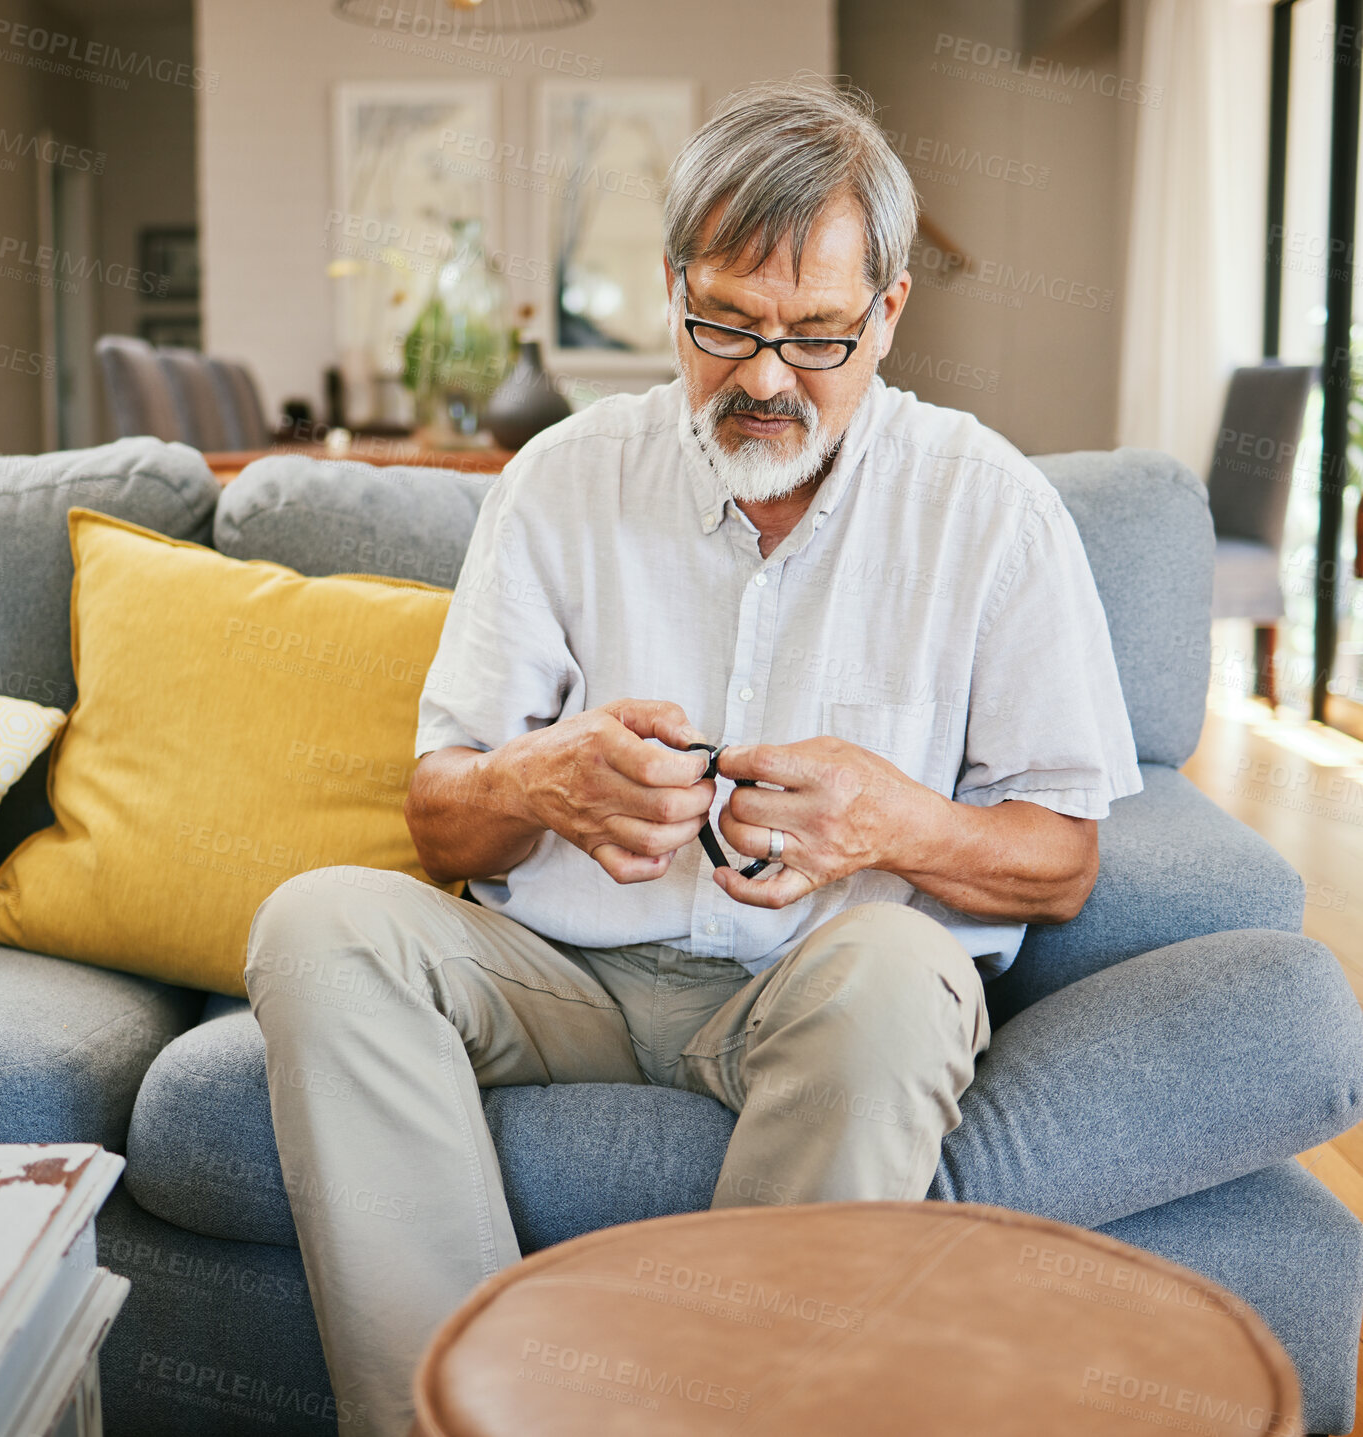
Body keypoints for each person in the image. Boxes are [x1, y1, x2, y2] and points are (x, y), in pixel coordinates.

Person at [245, 77, 1142, 1437]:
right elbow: (439, 818)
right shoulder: (556, 479)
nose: (768, 377)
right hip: (561, 973)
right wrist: (533, 778)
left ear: (890, 312)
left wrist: (892, 823)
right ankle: (459, 1421)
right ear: (670, 289)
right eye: (725, 322)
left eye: (820, 336)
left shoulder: (991, 510)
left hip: (819, 984)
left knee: (909, 969)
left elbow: (1064, 858)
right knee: (320, 926)